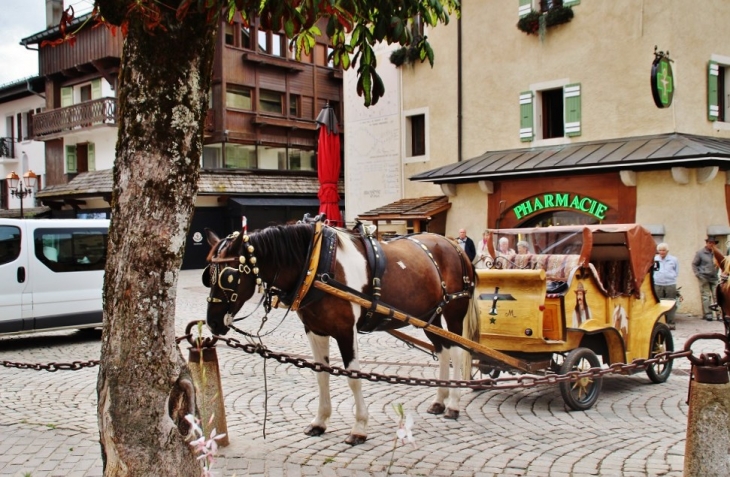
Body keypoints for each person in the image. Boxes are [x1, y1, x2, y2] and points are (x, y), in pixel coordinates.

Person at [692, 236, 720, 321]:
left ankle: (719, 314)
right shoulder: (700, 253)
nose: (711, 244)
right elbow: (694, 264)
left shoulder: (717, 253)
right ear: (707, 243)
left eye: (713, 243)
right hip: (704, 277)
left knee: (717, 296)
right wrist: (698, 274)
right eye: (710, 243)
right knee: (706, 297)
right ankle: (708, 314)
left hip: (714, 277)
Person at [653, 242, 679, 330]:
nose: (662, 252)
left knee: (671, 303)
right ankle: (660, 322)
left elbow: (676, 270)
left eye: (663, 250)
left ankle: (671, 322)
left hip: (670, 284)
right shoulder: (655, 259)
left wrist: (672, 277)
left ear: (667, 251)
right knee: (658, 303)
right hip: (658, 283)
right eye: (660, 250)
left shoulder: (673, 259)